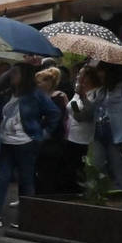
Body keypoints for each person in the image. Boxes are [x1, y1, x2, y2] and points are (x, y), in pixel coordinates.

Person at [0, 64, 62, 228]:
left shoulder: (35, 95)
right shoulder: (8, 93)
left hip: (26, 143)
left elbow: (54, 113)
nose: (12, 75)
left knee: (26, 179)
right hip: (7, 141)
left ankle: (26, 217)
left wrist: (43, 134)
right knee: (2, 177)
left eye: (16, 72)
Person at [87, 62, 122, 188]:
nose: (100, 74)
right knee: (97, 168)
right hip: (99, 132)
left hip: (118, 136)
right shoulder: (101, 91)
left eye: (102, 71)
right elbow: (91, 110)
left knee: (119, 171)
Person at [32, 67, 72, 195]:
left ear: (49, 83)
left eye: (39, 82)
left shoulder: (58, 97)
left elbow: (58, 118)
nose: (37, 85)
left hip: (52, 139)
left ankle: (46, 197)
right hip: (35, 136)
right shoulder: (36, 97)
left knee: (47, 170)